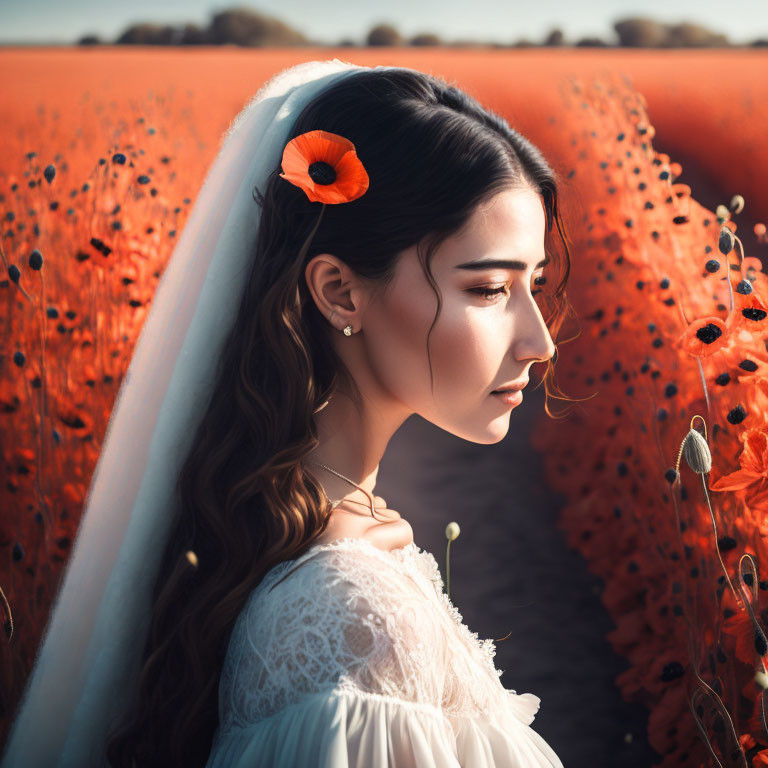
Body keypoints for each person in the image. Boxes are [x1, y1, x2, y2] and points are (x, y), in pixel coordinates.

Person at [0, 58, 571, 767]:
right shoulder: (354, 625)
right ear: (339, 292)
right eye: (488, 289)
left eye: (535, 285)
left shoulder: (296, 540)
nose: (538, 341)